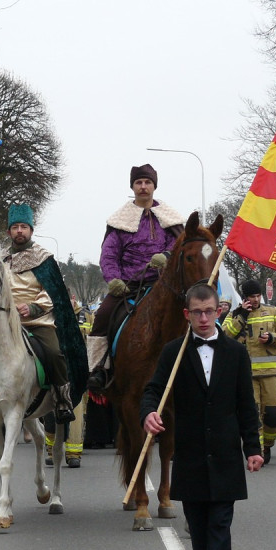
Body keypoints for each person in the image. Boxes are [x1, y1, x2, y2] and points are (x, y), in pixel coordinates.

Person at [140, 282, 263, 550]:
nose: (204, 318)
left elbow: (245, 405)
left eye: (210, 311)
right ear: (187, 314)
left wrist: (253, 447)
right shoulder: (173, 352)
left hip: (224, 452)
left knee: (220, 523)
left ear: (219, 311)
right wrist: (149, 413)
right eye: (197, 312)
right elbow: (153, 391)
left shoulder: (236, 354)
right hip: (190, 452)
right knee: (198, 522)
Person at [0, 203, 88, 425]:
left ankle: (62, 401)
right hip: (5, 323)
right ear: (9, 231)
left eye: (24, 227)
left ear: (31, 230)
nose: (19, 231)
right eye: (15, 227)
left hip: (37, 322)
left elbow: (54, 293)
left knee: (54, 353)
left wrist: (33, 307)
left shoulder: (44, 259)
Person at [86, 163, 184, 392]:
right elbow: (109, 255)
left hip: (164, 283)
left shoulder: (170, 220)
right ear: (132, 186)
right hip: (128, 286)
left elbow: (180, 247)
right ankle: (99, 368)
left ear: (154, 186)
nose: (143, 187)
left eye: (147, 182)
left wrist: (167, 256)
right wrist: (114, 281)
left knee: (196, 311)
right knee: (102, 316)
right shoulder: (119, 221)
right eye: (138, 183)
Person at [222, 278, 276, 464]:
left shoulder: (272, 312)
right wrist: (242, 316)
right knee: (253, 414)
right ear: (245, 297)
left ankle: (268, 444)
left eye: (258, 295)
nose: (255, 299)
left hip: (270, 373)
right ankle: (258, 451)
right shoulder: (235, 314)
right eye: (251, 296)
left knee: (275, 413)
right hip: (246, 375)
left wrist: (273, 338)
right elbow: (225, 336)